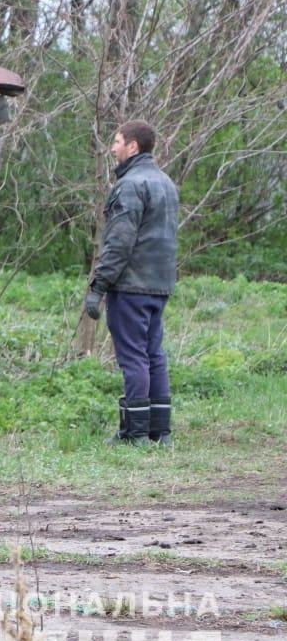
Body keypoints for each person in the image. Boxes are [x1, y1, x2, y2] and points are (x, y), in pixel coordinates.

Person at [84, 120, 179, 447]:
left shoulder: (129, 185)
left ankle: (135, 433)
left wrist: (98, 286)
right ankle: (160, 432)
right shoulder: (166, 183)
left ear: (133, 147)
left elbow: (120, 243)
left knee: (134, 357)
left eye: (117, 141)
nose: (113, 147)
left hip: (131, 286)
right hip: (160, 285)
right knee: (154, 355)